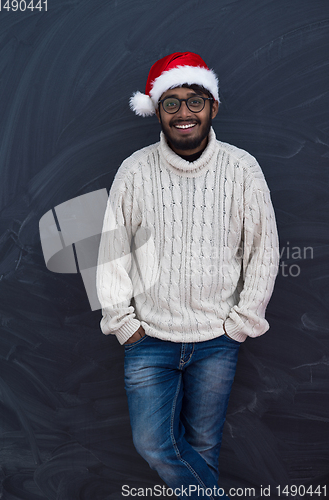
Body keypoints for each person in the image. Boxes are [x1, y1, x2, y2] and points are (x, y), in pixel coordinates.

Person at [96, 52, 279, 499]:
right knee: (154, 444)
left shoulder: (242, 169)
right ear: (157, 110)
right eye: (171, 102)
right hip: (149, 341)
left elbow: (264, 251)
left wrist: (241, 323)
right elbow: (110, 252)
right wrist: (124, 324)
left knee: (204, 446)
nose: (183, 113)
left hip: (217, 339)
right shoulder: (135, 171)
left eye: (194, 101)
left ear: (213, 107)